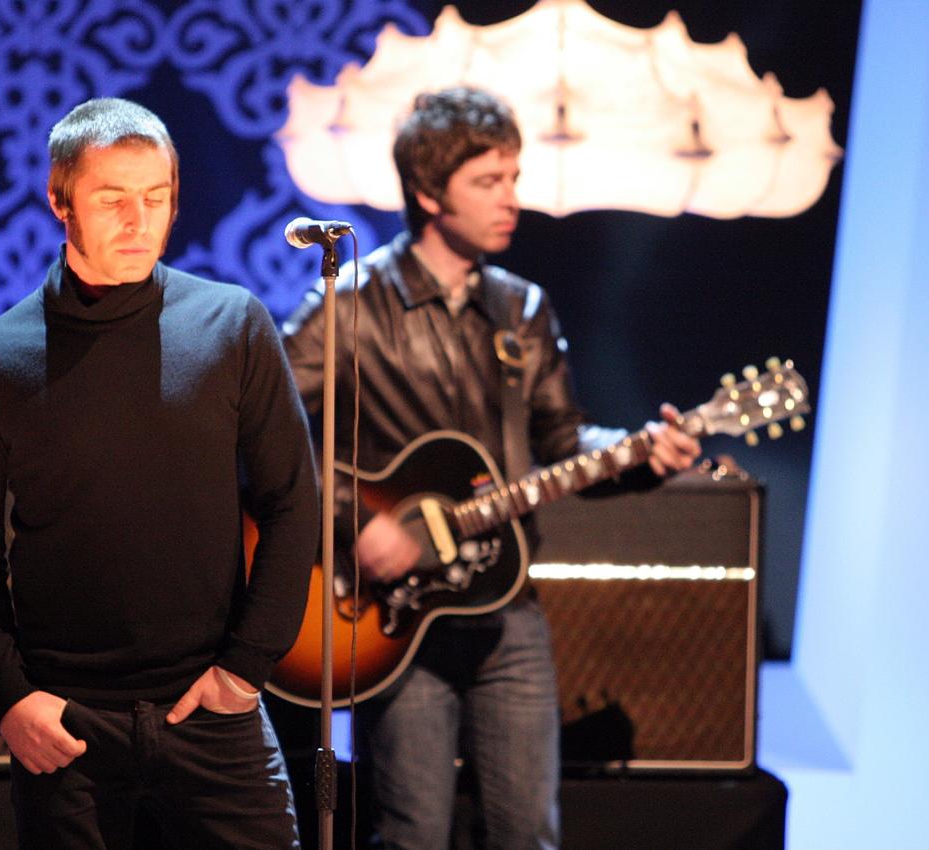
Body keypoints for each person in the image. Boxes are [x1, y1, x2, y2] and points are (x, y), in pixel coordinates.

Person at [281, 87, 701, 849]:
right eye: (490, 181)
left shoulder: (524, 311)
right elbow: (267, 433)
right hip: (394, 618)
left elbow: (564, 441)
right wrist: (361, 523)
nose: (513, 198)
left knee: (527, 834)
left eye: (514, 176)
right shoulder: (353, 305)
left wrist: (646, 456)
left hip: (509, 611)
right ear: (429, 192)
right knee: (413, 834)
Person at [0, 96, 319, 850]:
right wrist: (10, 698)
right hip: (67, 724)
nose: (138, 223)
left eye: (157, 199)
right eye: (112, 200)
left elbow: (291, 506)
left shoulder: (232, 325)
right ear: (59, 200)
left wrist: (244, 670)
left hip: (211, 709)